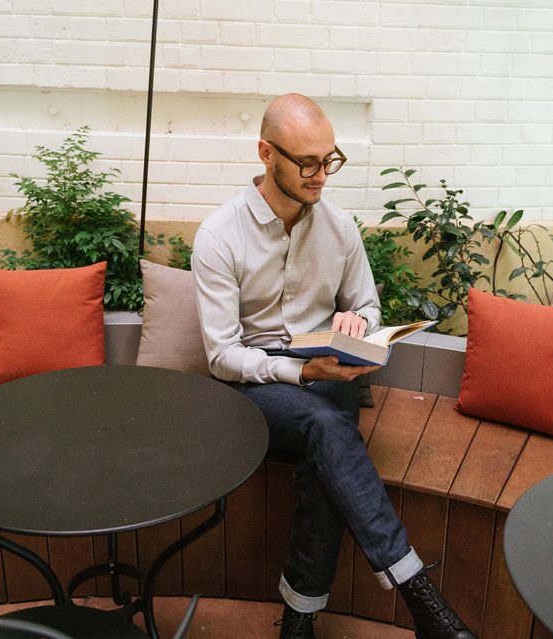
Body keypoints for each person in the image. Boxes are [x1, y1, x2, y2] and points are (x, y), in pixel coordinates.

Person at [191, 93, 475, 639]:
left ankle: (298, 626)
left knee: (328, 453)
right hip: (256, 382)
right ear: (265, 154)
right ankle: (420, 597)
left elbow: (367, 309)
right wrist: (301, 373)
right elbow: (222, 356)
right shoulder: (219, 236)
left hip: (328, 370)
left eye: (330, 160)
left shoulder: (340, 228)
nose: (322, 175)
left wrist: (355, 325)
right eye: (307, 163)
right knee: (328, 426)